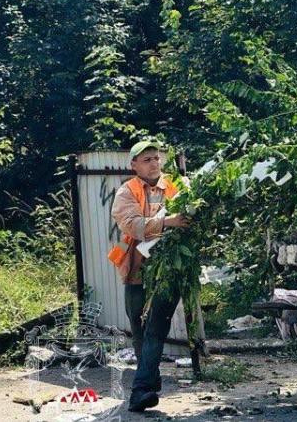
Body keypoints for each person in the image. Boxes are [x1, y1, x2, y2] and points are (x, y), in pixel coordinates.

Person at [108, 140, 191, 413]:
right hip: (137, 265)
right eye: (147, 160)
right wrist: (167, 221)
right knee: (138, 325)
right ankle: (150, 380)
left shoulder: (177, 186)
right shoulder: (126, 192)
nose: (155, 163)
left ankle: (140, 390)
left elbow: (194, 215)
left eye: (157, 158)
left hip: (168, 268)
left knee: (156, 322)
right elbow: (131, 224)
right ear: (134, 165)